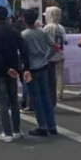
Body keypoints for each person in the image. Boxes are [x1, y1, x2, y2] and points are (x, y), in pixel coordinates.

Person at [0, 6, 30, 143]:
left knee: (2, 101)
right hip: (14, 68)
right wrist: (24, 67)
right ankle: (16, 129)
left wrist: (5, 67)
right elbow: (24, 49)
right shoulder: (14, 30)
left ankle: (7, 131)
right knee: (13, 100)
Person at [21, 8, 57, 137]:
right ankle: (52, 125)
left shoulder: (24, 35)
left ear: (24, 20)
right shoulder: (42, 32)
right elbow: (55, 46)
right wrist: (46, 57)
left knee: (36, 99)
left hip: (31, 68)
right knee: (46, 97)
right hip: (43, 66)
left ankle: (42, 126)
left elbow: (22, 53)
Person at [43, 6, 66, 105]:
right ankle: (59, 93)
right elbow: (65, 41)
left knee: (50, 78)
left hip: (50, 55)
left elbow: (43, 39)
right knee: (60, 75)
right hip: (60, 53)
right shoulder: (61, 27)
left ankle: (51, 96)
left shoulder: (48, 27)